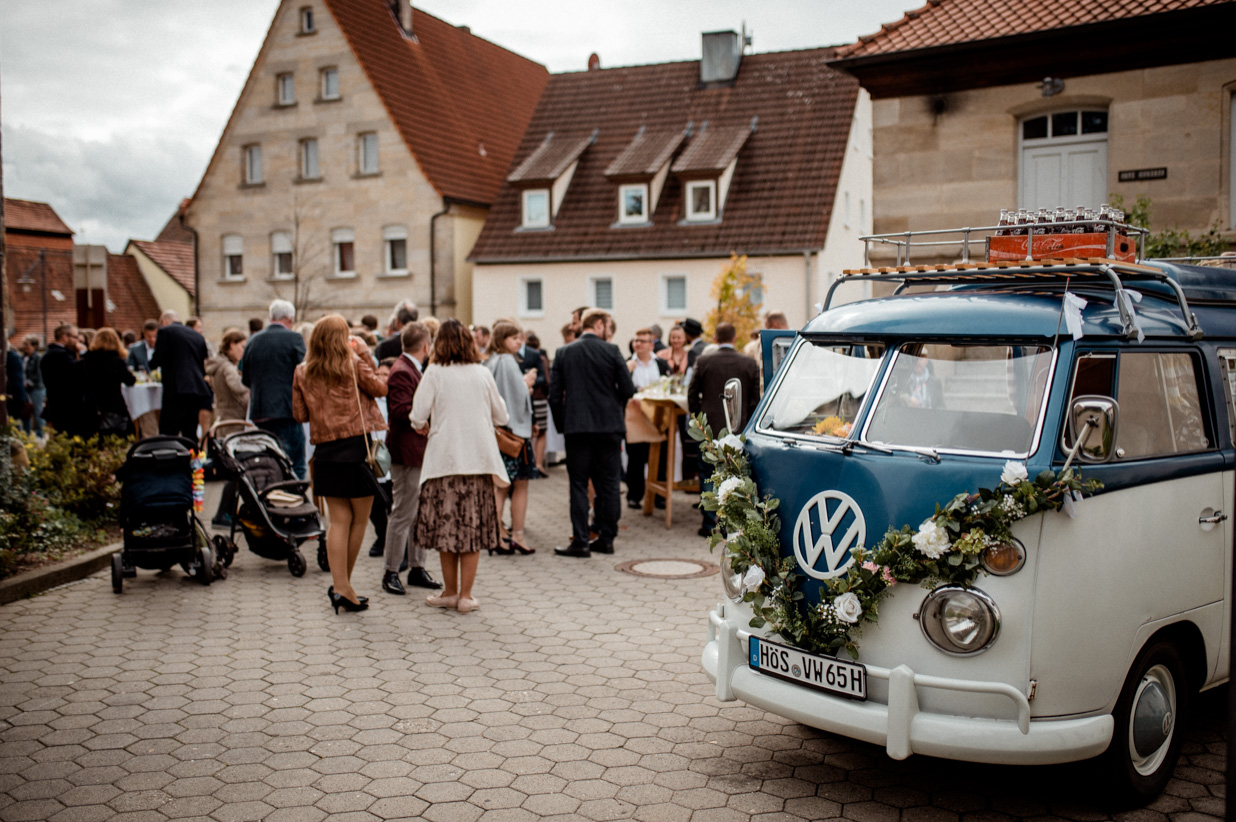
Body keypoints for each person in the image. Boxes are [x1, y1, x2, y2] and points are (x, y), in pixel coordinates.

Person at [409, 319, 509, 614]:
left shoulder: (434, 372)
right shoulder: (482, 372)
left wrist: (424, 424)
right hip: (477, 462)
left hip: (443, 463)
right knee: (472, 529)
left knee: (446, 529)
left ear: (438, 343)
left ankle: (450, 591)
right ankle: (466, 596)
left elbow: (417, 415)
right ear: (469, 341)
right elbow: (501, 415)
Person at [292, 315, 388, 613]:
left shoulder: (302, 371)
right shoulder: (353, 363)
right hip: (357, 449)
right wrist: (365, 353)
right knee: (359, 519)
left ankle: (341, 586)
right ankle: (343, 586)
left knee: (337, 521)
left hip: (325, 452)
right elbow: (380, 388)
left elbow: (300, 415)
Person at [549, 308, 636, 558]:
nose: (609, 332)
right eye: (608, 326)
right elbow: (628, 389)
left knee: (578, 484)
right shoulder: (612, 351)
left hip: (577, 428)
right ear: (599, 324)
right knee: (609, 484)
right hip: (609, 428)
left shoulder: (564, 352)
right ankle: (606, 539)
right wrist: (613, 409)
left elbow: (555, 397)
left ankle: (581, 541)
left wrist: (563, 425)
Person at [379, 322, 444, 595]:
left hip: (417, 451)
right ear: (426, 346)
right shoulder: (403, 371)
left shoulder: (411, 368)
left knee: (419, 512)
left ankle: (417, 568)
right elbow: (400, 409)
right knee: (403, 511)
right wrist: (426, 418)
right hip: (407, 453)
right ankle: (391, 571)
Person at [688, 322, 760, 537]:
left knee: (707, 474)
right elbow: (755, 400)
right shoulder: (749, 363)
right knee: (737, 474)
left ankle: (709, 523)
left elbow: (692, 394)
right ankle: (733, 522)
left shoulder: (704, 361)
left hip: (709, 428)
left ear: (716, 338)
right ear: (735, 337)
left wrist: (698, 420)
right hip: (739, 428)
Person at [487, 321, 539, 555]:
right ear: (502, 339)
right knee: (518, 486)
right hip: (514, 433)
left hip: (500, 432)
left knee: (501, 485)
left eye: (520, 337)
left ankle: (496, 533)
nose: (518, 342)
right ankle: (516, 534)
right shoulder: (507, 362)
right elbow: (517, 398)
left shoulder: (493, 361)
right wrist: (526, 384)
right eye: (513, 337)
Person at [242, 300, 308, 478]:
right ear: (290, 318)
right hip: (287, 409)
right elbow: (304, 373)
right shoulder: (294, 338)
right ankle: (294, 499)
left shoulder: (253, 341)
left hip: (260, 410)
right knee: (295, 462)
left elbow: (245, 378)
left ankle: (270, 495)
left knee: (269, 460)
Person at [624, 327, 670, 509]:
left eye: (642, 341)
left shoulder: (661, 364)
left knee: (660, 455)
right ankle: (634, 495)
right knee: (635, 456)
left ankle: (659, 495)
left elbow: (668, 385)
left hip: (657, 416)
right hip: (635, 415)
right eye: (635, 340)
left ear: (651, 344)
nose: (637, 344)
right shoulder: (628, 363)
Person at [151, 310, 212, 440]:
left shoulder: (165, 331)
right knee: (190, 432)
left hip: (176, 389)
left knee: (168, 432)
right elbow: (203, 364)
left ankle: (170, 459)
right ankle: (192, 458)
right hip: (196, 390)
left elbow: (156, 360)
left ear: (163, 322)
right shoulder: (197, 336)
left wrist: (149, 365)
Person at [83, 328, 136, 437]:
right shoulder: (116, 361)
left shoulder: (87, 360)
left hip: (93, 403)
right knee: (119, 436)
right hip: (113, 404)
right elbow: (130, 380)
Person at [40, 324, 86, 437]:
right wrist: (83, 354)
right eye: (75, 337)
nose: (77, 341)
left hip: (56, 403)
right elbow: (78, 375)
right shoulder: (61, 355)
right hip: (67, 406)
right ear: (64, 337)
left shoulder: (49, 353)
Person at [207, 330, 250, 422]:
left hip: (223, 416)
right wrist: (252, 383)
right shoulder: (227, 367)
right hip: (233, 419)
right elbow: (237, 386)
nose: (244, 351)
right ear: (232, 345)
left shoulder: (219, 365)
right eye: (242, 347)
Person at [523, 332, 551, 476]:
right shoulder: (540, 356)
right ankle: (536, 463)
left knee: (536, 431)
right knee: (538, 432)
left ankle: (534, 463)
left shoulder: (535, 356)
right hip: (538, 397)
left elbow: (543, 378)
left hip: (536, 397)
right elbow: (546, 378)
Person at [20, 336, 44, 438]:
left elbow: (38, 374)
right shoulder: (23, 357)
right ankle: (27, 433)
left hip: (36, 388)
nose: (25, 347)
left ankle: (40, 433)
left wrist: (29, 383)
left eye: (27, 345)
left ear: (34, 346)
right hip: (24, 388)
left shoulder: (38, 358)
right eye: (24, 344)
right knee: (26, 411)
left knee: (37, 411)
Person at [6, 344, 28, 428]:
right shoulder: (14, 357)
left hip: (15, 395)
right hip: (17, 393)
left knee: (17, 419)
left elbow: (16, 379)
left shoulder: (11, 357)